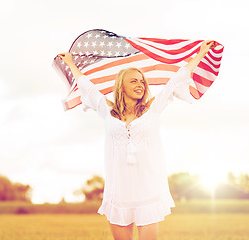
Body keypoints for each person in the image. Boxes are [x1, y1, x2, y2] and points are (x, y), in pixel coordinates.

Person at [58, 40, 216, 240]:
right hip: (118, 192)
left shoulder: (153, 109)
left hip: (147, 190)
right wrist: (71, 64)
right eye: (133, 81)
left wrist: (200, 54)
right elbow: (87, 88)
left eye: (142, 82)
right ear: (121, 86)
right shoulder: (107, 111)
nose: (140, 85)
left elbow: (176, 81)